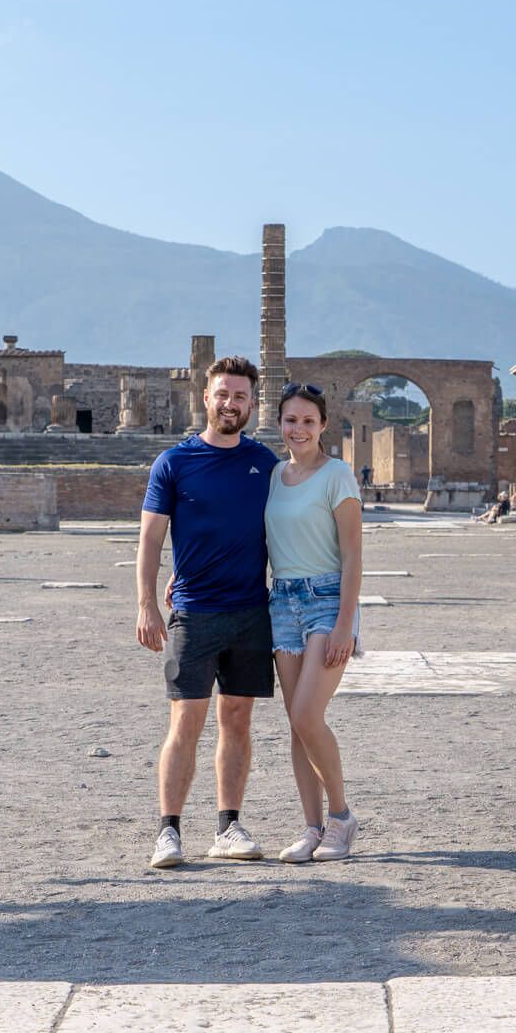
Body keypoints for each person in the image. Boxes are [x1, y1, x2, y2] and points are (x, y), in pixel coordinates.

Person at [135, 355, 279, 869]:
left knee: (237, 719)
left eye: (240, 396)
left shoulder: (266, 465)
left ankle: (228, 825)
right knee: (186, 720)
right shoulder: (174, 462)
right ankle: (167, 831)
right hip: (194, 612)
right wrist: (147, 604)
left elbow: (289, 533)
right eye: (223, 394)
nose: (230, 403)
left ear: (252, 403)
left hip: (250, 612)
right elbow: (150, 540)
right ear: (206, 397)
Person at [267, 382, 365, 862]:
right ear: (280, 423)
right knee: (295, 724)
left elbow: (352, 555)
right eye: (291, 420)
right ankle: (311, 827)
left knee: (308, 714)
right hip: (282, 603)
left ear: (323, 425)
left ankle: (342, 818)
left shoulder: (338, 476)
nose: (299, 428)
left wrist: (346, 624)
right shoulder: (274, 475)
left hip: (327, 602)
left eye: (308, 421)